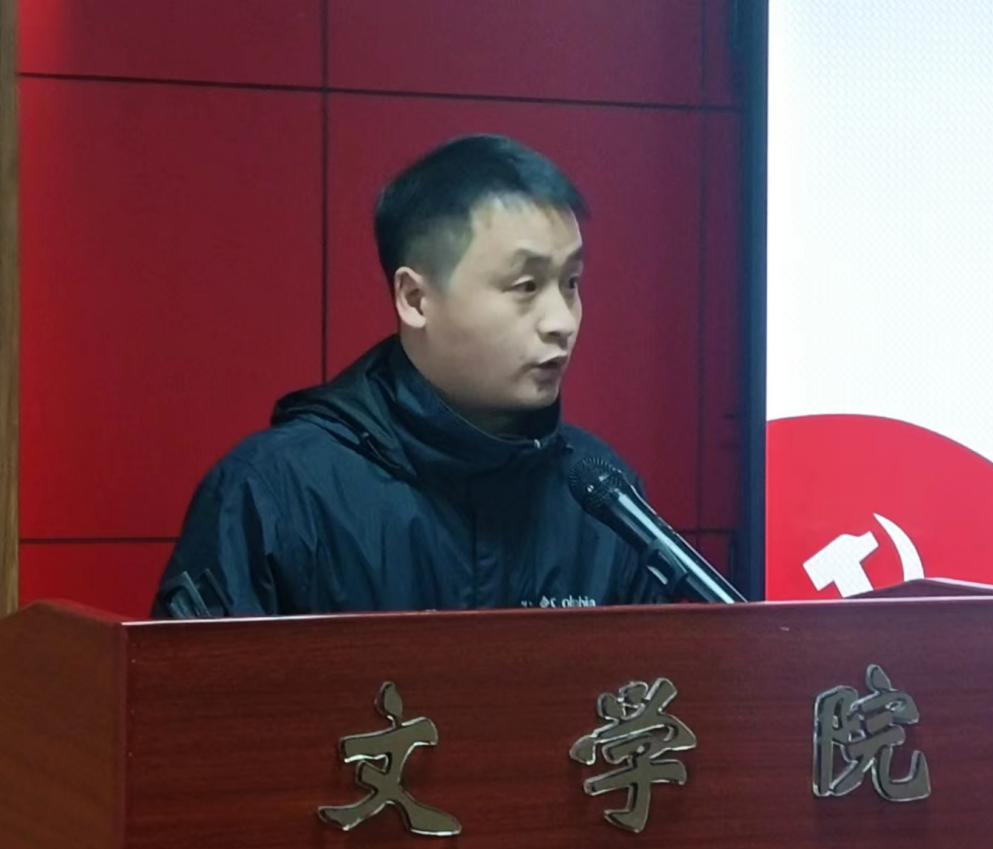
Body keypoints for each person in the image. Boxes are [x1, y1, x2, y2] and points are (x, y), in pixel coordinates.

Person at [153, 135, 661, 617]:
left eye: (571, 283)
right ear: (416, 299)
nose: (562, 321)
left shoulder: (604, 497)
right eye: (526, 286)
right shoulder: (275, 491)